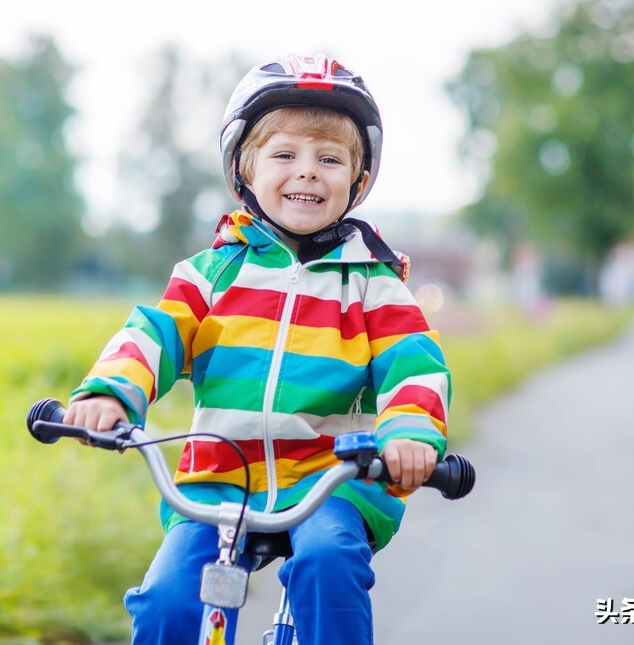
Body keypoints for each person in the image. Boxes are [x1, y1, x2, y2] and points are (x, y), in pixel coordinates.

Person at [63, 54, 450, 644]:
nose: (308, 173)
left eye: (330, 159)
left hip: (330, 479)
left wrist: (409, 434)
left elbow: (413, 363)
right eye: (285, 155)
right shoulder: (212, 274)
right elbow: (155, 333)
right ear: (244, 168)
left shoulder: (373, 284)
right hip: (217, 483)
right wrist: (111, 394)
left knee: (328, 562)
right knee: (169, 601)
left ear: (358, 180)